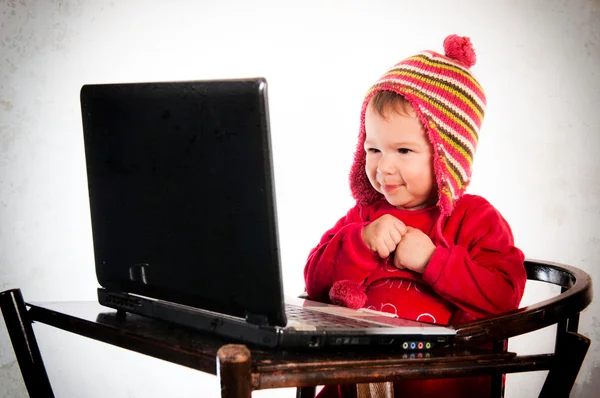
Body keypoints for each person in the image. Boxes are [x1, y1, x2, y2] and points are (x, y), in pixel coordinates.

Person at [303, 34, 528, 398]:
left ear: (446, 157)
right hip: (355, 385)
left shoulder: (476, 219)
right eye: (373, 149)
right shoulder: (364, 216)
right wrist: (359, 242)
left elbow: (504, 296)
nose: (384, 167)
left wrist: (432, 260)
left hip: (442, 385)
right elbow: (314, 283)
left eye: (404, 150)